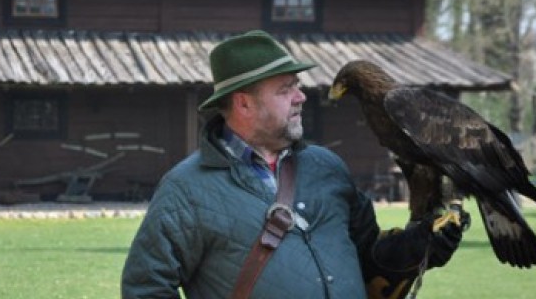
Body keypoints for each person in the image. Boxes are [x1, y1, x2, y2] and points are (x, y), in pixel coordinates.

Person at [121, 30, 467, 299]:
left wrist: (414, 247)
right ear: (243, 104)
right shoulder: (186, 188)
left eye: (298, 86)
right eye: (286, 89)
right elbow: (145, 288)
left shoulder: (328, 166)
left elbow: (370, 255)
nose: (302, 97)